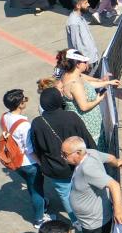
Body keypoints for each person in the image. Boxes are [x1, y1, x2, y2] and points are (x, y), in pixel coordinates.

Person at [30, 87, 96, 224]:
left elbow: (37, 147)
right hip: (78, 162)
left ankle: (76, 221)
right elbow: (86, 139)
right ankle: (91, 214)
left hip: (55, 168)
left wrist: (43, 164)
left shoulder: (37, 123)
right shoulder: (71, 116)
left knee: (65, 195)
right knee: (86, 190)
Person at [2, 89, 48, 229]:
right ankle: (39, 219)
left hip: (14, 161)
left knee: (32, 187)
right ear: (20, 104)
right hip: (29, 163)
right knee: (36, 191)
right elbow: (30, 150)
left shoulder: (4, 117)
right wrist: (41, 164)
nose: (26, 100)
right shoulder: (24, 125)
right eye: (24, 99)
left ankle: (42, 205)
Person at [58, 48, 118, 147]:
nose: (87, 64)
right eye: (84, 62)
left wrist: (108, 82)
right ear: (77, 65)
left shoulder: (69, 75)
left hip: (82, 122)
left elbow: (88, 84)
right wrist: (98, 100)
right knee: (96, 148)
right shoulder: (75, 84)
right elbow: (84, 107)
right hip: (88, 124)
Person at [66, 0, 101, 68]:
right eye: (85, 3)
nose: (88, 4)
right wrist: (83, 61)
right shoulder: (73, 22)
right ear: (78, 6)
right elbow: (76, 45)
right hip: (87, 61)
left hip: (92, 57)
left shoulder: (80, 16)